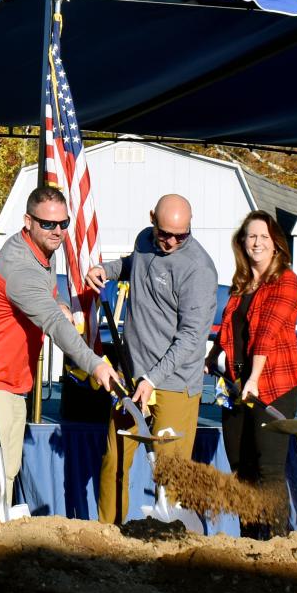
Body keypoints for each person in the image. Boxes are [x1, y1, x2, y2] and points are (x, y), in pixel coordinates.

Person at [0, 185, 119, 514]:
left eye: (63, 224)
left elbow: (50, 297)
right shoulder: (20, 266)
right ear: (28, 221)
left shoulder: (41, 252)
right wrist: (96, 364)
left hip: (9, 377)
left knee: (6, 470)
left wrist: (59, 301)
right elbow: (54, 325)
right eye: (48, 224)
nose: (57, 232)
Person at [85, 193, 217, 525]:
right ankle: (107, 536)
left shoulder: (198, 270)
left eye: (180, 235)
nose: (171, 241)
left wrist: (153, 379)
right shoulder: (145, 240)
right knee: (114, 462)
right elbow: (134, 263)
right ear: (151, 220)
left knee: (170, 477)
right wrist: (108, 270)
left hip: (173, 384)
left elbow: (190, 338)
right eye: (164, 233)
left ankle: (169, 545)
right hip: (130, 377)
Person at [216, 210, 297, 535]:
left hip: (272, 385)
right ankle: (249, 541)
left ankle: (276, 541)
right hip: (236, 387)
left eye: (264, 237)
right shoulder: (241, 285)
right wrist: (213, 357)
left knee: (268, 470)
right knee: (242, 470)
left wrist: (253, 377)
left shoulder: (286, 281)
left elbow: (266, 332)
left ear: (276, 244)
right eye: (251, 236)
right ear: (242, 242)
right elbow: (229, 331)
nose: (257, 242)